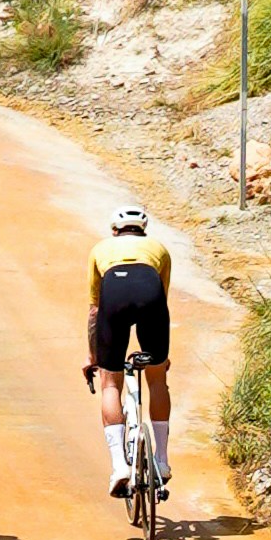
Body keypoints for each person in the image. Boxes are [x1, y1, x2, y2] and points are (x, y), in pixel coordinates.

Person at [85, 199, 172, 503]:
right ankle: (161, 459)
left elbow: (96, 310)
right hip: (151, 294)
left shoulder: (99, 250)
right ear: (143, 232)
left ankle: (120, 467)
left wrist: (93, 357)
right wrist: (161, 356)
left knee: (111, 382)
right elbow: (162, 299)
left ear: (114, 231)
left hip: (115, 294)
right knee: (157, 378)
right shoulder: (160, 250)